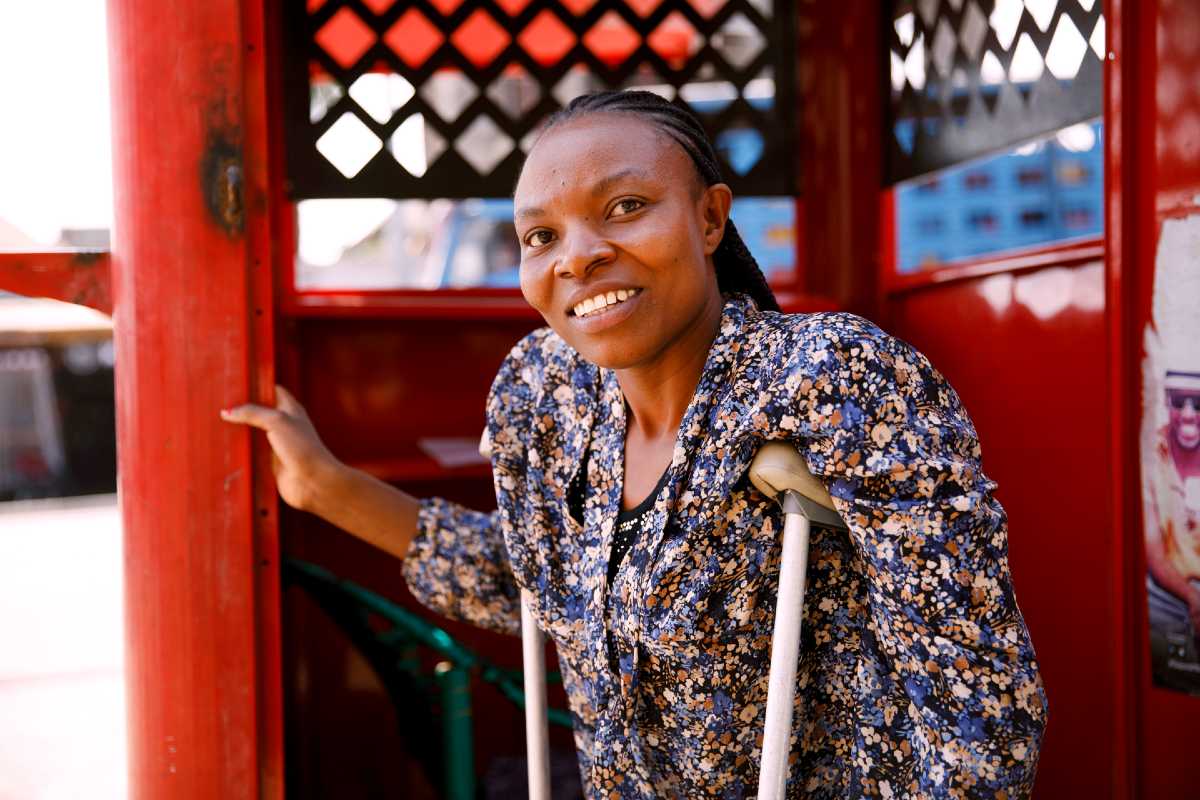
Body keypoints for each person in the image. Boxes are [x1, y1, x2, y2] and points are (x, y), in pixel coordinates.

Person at [222, 91, 1047, 798]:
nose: (579, 256)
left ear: (711, 216)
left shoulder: (833, 377)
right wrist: (325, 487)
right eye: (541, 236)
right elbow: (536, 587)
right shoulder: (545, 390)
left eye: (625, 207)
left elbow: (977, 703)